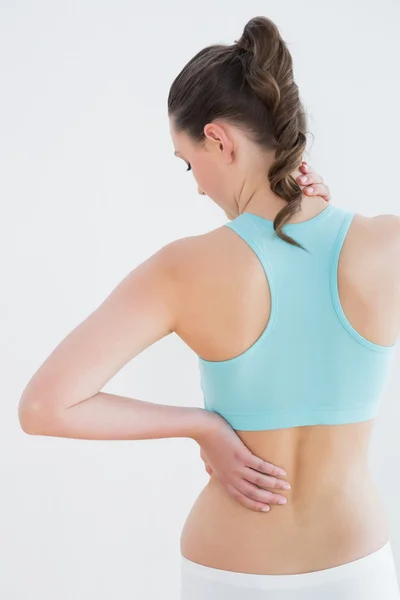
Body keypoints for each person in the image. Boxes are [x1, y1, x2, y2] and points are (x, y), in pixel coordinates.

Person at [18, 14, 400, 600]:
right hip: (356, 565)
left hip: (230, 568)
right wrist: (336, 219)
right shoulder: (388, 247)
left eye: (186, 159)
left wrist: (200, 427)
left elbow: (44, 405)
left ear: (218, 139)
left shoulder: (183, 267)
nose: (196, 184)